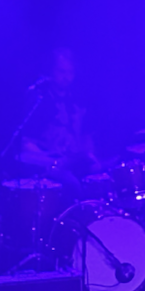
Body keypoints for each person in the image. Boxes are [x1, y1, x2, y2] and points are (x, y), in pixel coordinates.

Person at [17, 48, 99, 196]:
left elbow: (87, 136)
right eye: (61, 72)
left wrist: (91, 157)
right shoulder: (39, 100)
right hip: (51, 163)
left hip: (74, 160)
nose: (66, 77)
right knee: (72, 184)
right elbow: (27, 143)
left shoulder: (77, 100)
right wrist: (49, 161)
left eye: (70, 72)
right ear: (51, 72)